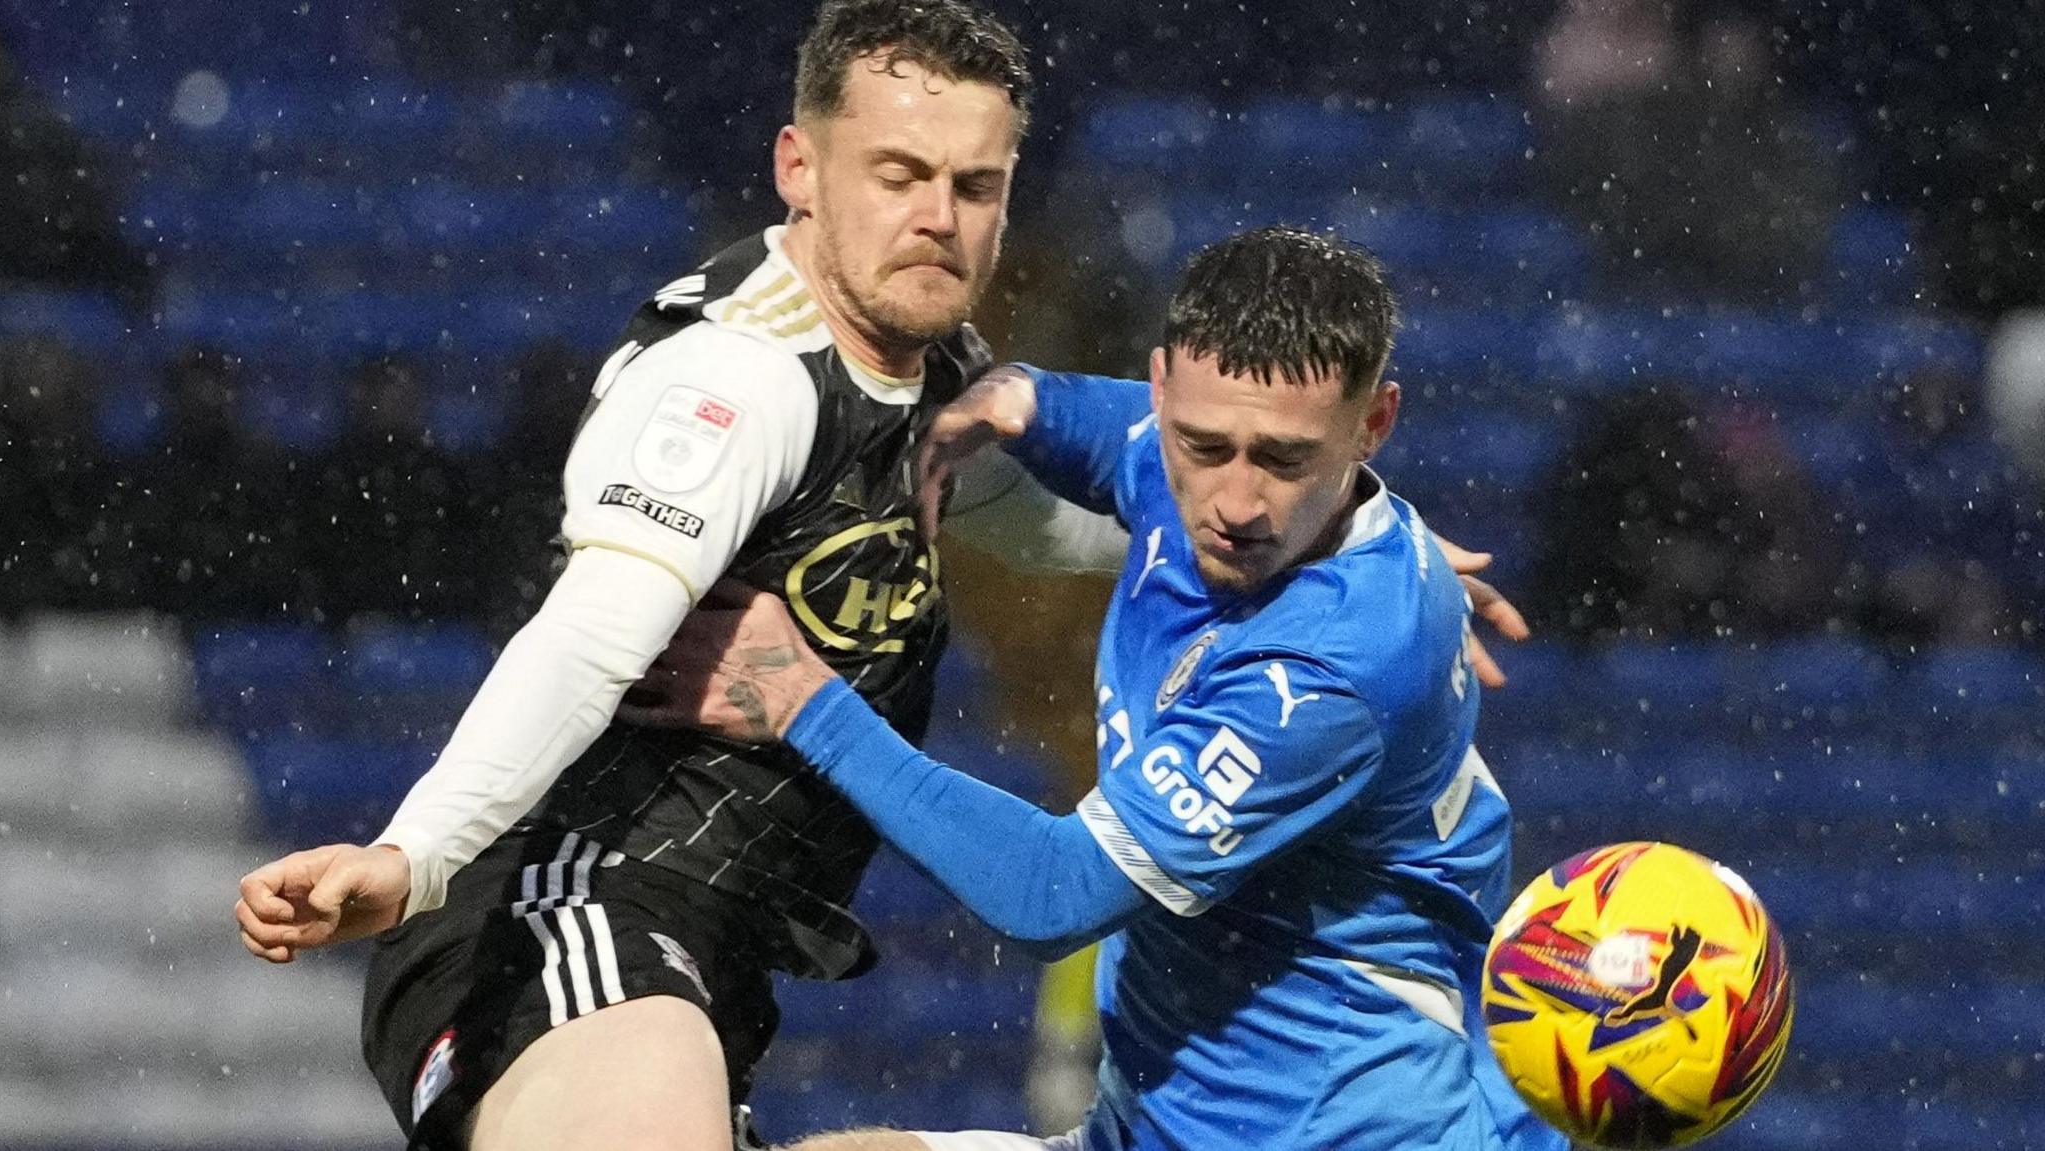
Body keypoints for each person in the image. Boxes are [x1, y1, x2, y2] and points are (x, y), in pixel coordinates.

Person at [235, 3, 1037, 1148]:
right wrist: (412, 857)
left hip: (699, 961)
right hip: (556, 905)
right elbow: (589, 636)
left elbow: (1077, 527)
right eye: (898, 173)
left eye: (974, 185)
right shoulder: (739, 377)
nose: (936, 217)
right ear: (797, 169)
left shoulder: (938, 383)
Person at [650, 227, 1566, 1151]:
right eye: (1203, 443)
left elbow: (1054, 894)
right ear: (1166, 388)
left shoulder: (1334, 671)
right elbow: (1114, 438)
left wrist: (806, 701)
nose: (1235, 501)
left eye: (1283, 459)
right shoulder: (1198, 462)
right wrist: (1026, 397)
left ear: (1374, 424)